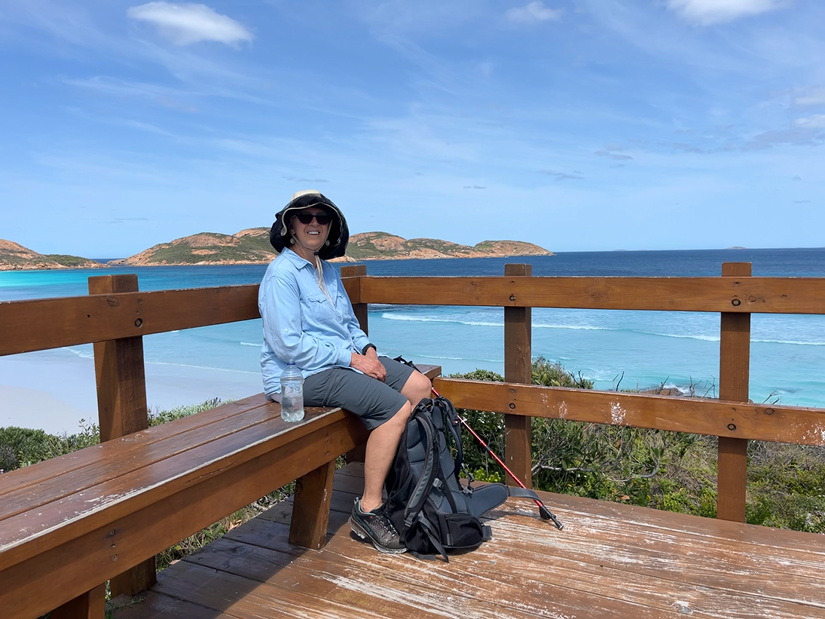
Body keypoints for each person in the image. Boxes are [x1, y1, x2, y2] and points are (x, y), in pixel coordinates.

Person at [258, 190, 432, 554]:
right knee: (394, 409)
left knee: (419, 386)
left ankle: (409, 487)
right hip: (298, 376)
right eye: (306, 217)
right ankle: (369, 509)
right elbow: (288, 345)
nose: (315, 224)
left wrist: (366, 348)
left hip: (340, 361)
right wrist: (354, 360)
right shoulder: (282, 276)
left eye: (323, 218)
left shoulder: (327, 270)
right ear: (290, 225)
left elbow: (349, 325)